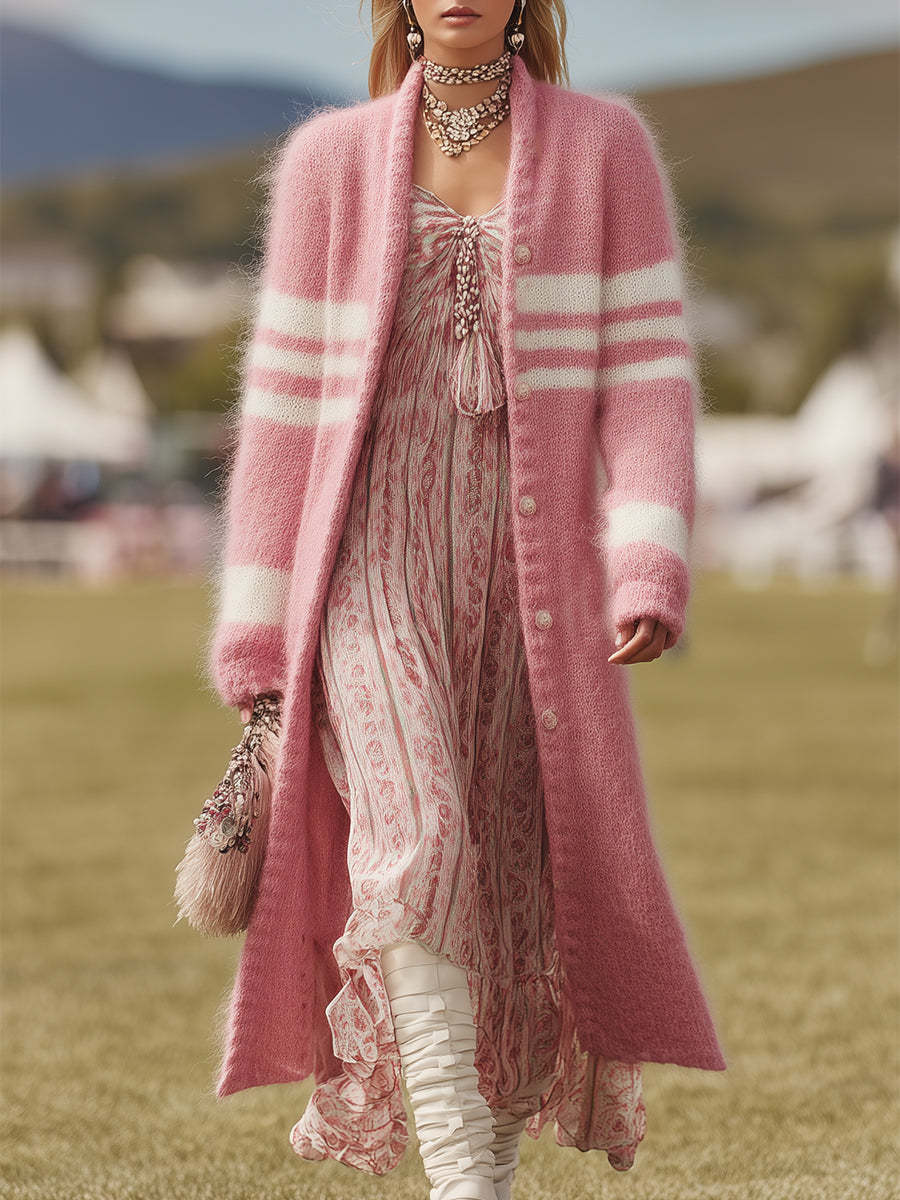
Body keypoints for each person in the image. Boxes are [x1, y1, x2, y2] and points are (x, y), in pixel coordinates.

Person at [211, 2, 726, 1198]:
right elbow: (282, 411)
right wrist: (257, 627)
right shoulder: (326, 162)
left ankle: (481, 1185)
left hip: (532, 590)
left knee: (508, 894)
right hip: (370, 573)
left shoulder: (606, 149)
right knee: (421, 842)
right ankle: (460, 1188)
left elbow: (649, 378)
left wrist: (646, 559)